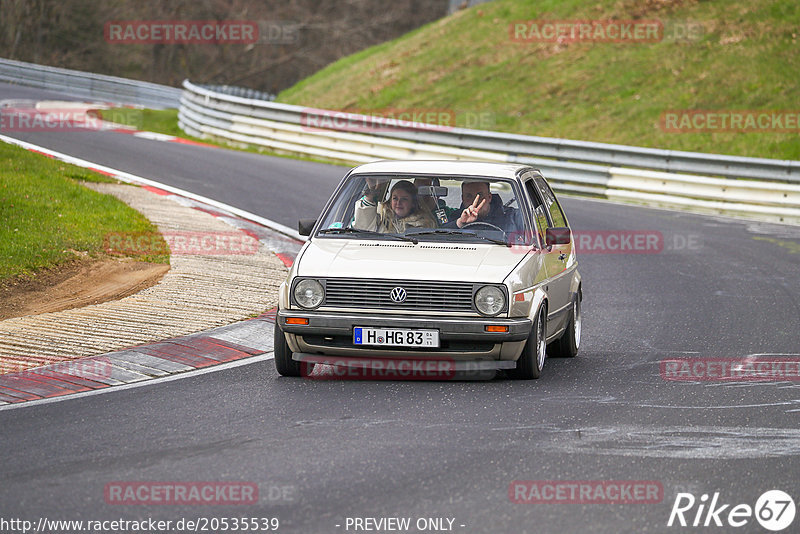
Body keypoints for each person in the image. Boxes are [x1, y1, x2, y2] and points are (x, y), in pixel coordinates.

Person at [353, 179, 436, 233]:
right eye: (395, 198)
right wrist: (371, 194)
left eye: (404, 199)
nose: (398, 203)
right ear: (390, 200)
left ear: (413, 203)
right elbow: (362, 228)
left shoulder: (426, 225)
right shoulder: (380, 217)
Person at [446, 180, 524, 234]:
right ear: (463, 199)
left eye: (480, 195)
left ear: (489, 197)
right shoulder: (456, 217)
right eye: (469, 196)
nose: (474, 201)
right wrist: (460, 223)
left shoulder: (513, 216)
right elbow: (439, 236)